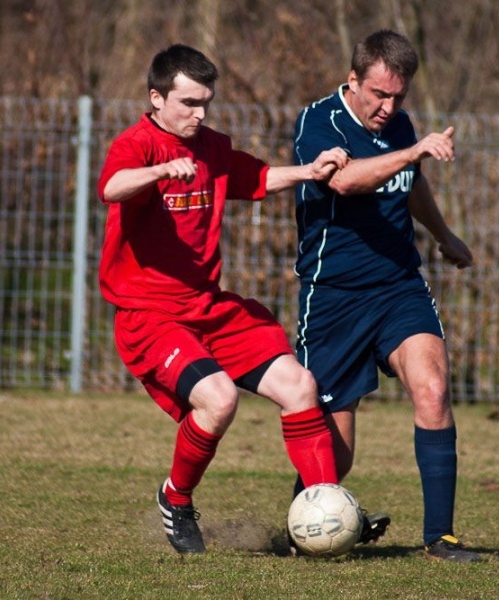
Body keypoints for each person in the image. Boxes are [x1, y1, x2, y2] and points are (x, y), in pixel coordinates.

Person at [97, 43, 349, 555]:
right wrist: (160, 172)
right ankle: (176, 498)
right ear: (157, 97)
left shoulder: (210, 146)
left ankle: (325, 510)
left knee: (300, 385)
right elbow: (112, 187)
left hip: (207, 307)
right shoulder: (138, 144)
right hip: (149, 315)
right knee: (220, 398)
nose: (199, 113)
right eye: (188, 102)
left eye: (205, 102)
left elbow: (255, 177)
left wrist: (309, 170)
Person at [290, 29, 477, 562]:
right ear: (354, 81)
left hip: (398, 285)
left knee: (434, 389)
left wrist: (444, 236)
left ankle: (440, 536)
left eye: (399, 97)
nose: (388, 107)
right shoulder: (318, 122)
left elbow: (411, 182)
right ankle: (307, 527)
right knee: (336, 451)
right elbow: (346, 181)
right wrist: (413, 149)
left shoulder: (400, 128)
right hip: (334, 296)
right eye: (379, 95)